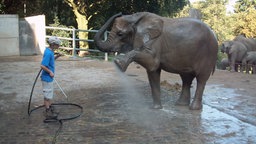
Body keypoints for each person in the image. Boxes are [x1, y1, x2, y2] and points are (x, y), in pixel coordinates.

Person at [40, 36, 61, 119]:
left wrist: (57, 56)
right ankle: (47, 111)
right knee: (47, 95)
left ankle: (49, 107)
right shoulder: (48, 53)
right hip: (47, 78)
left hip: (49, 78)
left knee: (49, 94)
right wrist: (50, 72)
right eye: (57, 45)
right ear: (53, 44)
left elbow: (50, 62)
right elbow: (42, 65)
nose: (58, 46)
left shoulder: (50, 51)